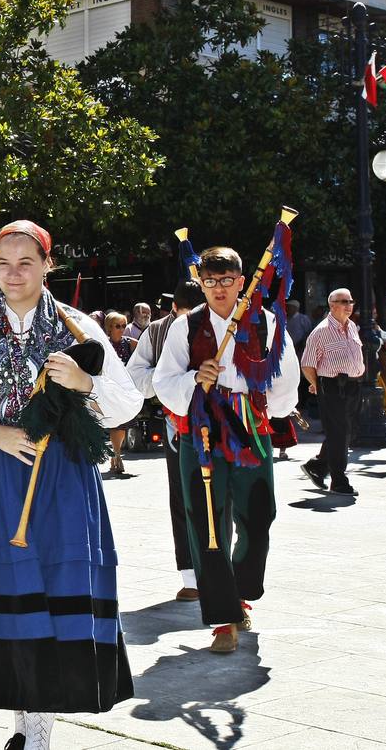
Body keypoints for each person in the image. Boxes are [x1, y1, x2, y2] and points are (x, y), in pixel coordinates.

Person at [0, 221, 140, 750]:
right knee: (8, 595)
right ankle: (25, 723)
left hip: (62, 477)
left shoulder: (78, 328)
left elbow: (128, 402)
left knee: (54, 593)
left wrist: (86, 383)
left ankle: (36, 729)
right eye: (2, 263)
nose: (12, 273)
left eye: (25, 262)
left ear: (47, 266)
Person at [153, 246, 299, 654]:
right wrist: (195, 379)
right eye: (210, 281)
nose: (219, 289)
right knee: (207, 523)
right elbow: (165, 383)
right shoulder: (186, 327)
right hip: (201, 429)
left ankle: (240, 592)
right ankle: (222, 617)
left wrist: (271, 405)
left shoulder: (266, 322)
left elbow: (285, 378)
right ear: (201, 284)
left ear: (241, 281)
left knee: (258, 513)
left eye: (227, 280)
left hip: (249, 424)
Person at [127, 278, 206, 602]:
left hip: (222, 422)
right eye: (185, 313)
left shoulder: (222, 325)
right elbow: (135, 376)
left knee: (223, 498)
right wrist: (168, 380)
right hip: (176, 424)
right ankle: (191, 575)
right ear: (173, 309)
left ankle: (221, 569)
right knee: (184, 496)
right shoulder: (157, 331)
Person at [299, 288, 364, 497]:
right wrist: (317, 385)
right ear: (332, 305)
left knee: (348, 432)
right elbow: (307, 364)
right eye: (343, 301)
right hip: (333, 386)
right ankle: (338, 480)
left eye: (350, 301)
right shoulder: (321, 331)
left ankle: (317, 466)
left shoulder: (352, 326)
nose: (348, 305)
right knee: (339, 433)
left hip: (353, 385)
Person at [103, 311, 137, 476]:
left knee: (122, 424)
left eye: (124, 325)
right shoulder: (103, 345)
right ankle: (116, 456)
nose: (122, 329)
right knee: (114, 423)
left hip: (124, 390)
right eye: (118, 326)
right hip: (109, 389)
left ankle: (116, 455)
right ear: (109, 328)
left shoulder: (130, 344)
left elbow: (144, 358)